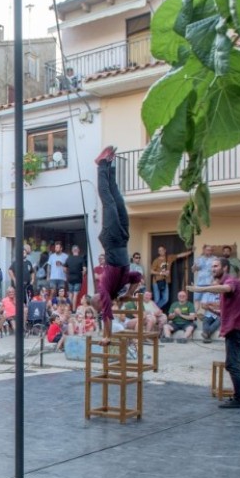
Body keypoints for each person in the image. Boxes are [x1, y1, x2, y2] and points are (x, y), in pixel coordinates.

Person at [92, 146, 143, 345]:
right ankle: (110, 165)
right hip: (122, 240)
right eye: (96, 301)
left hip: (112, 241)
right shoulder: (117, 286)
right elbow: (137, 277)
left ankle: (101, 165)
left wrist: (107, 336)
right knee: (119, 201)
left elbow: (107, 315)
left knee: (109, 203)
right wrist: (129, 294)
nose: (96, 297)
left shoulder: (104, 287)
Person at [187, 258, 240, 408]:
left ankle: (239, 400)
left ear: (225, 267)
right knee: (235, 364)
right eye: (212, 267)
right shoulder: (228, 284)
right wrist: (210, 310)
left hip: (237, 330)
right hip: (236, 329)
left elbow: (225, 289)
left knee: (232, 364)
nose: (213, 269)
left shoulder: (232, 282)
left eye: (216, 266)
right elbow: (226, 311)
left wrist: (201, 289)